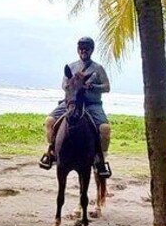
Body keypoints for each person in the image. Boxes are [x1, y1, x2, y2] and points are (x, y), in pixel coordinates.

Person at [39, 36, 112, 178]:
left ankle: (101, 159)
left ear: (91, 50)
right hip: (71, 102)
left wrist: (92, 86)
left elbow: (107, 87)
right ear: (78, 49)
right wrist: (73, 85)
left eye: (86, 49)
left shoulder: (98, 68)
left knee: (105, 129)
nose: (83, 51)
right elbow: (63, 85)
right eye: (81, 48)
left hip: (91, 104)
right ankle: (52, 152)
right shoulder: (71, 67)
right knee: (49, 121)